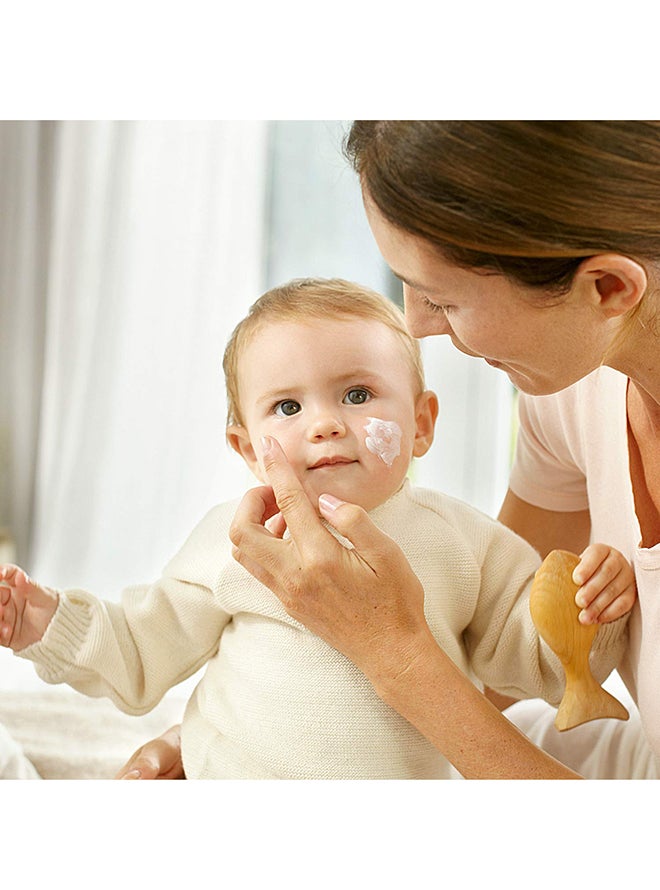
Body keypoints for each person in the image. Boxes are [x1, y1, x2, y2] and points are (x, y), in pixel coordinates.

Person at [0, 278, 633, 779]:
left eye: (357, 395)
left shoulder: (459, 540)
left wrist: (588, 609)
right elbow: (141, 646)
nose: (325, 424)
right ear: (247, 448)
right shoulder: (239, 538)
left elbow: (530, 662)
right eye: (288, 406)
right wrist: (41, 619)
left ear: (421, 423)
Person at [224, 121, 660, 780]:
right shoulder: (573, 387)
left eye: (443, 298)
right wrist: (247, 734)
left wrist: (395, 655)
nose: (417, 325)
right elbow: (490, 651)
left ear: (607, 289)